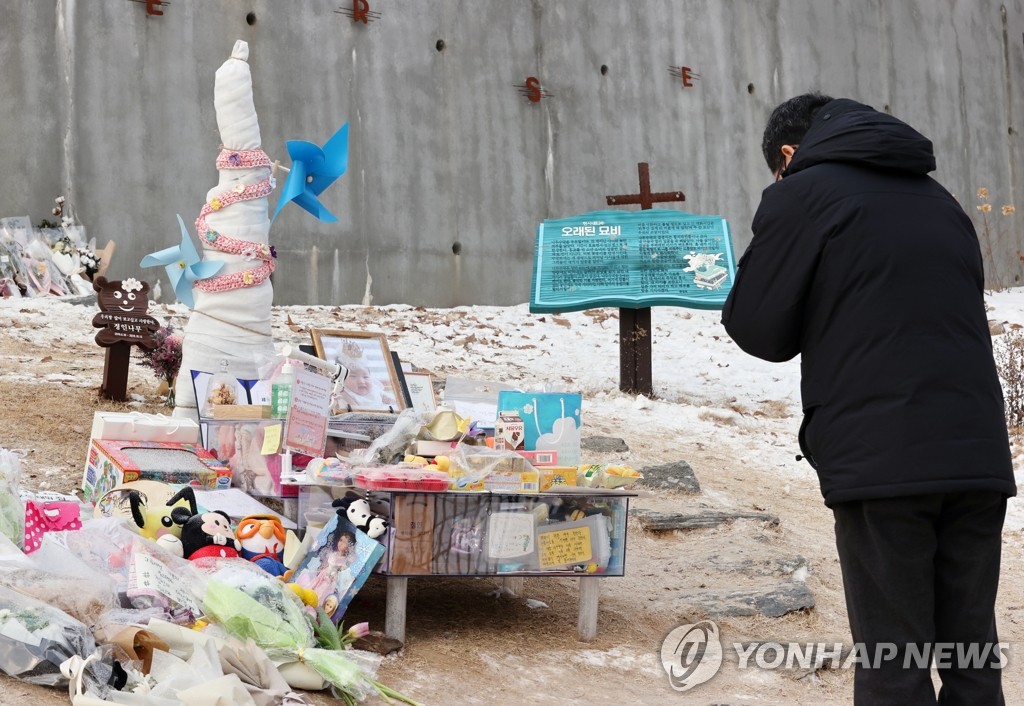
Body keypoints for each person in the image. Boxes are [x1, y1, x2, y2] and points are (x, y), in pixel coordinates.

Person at [722, 93, 1017, 704]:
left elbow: (757, 329)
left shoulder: (800, 194)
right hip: (976, 456)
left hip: (884, 461)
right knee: (971, 657)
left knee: (894, 660)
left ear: (787, 153)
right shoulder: (939, 199)